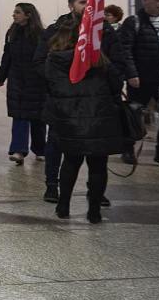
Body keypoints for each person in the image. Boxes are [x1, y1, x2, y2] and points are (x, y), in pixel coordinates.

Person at [44, 15, 126, 223]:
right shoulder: (98, 58)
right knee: (98, 165)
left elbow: (51, 86)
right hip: (99, 118)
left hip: (70, 119)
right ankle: (94, 211)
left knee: (71, 162)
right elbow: (116, 84)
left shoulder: (54, 60)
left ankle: (63, 206)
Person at [119, 0, 159, 164]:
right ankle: (127, 149)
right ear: (145, 1)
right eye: (157, 0)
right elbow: (125, 50)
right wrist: (131, 74)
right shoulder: (134, 22)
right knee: (133, 115)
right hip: (141, 79)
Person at [0, 3, 47, 165]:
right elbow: (7, 56)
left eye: (17, 12)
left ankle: (40, 149)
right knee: (19, 115)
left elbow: (45, 58)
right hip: (16, 79)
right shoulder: (12, 33)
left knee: (38, 118)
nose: (14, 15)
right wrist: (1, 76)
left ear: (28, 15)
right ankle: (19, 150)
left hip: (36, 81)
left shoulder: (41, 35)